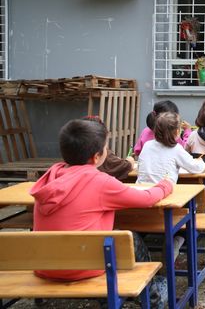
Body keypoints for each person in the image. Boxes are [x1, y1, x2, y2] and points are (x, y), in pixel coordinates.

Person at [30, 119, 173, 307]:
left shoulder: (50, 177)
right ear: (97, 157)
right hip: (84, 269)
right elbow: (146, 199)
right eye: (106, 147)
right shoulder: (100, 182)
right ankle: (153, 296)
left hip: (45, 267)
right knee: (130, 238)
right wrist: (165, 185)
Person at [137, 111, 205, 184]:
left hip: (140, 189)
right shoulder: (176, 149)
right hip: (162, 192)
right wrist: (200, 161)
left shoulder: (147, 145)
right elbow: (196, 168)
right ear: (177, 131)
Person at [83, 115, 135, 181]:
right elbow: (125, 166)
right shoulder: (104, 181)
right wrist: (130, 160)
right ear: (96, 156)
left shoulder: (69, 169)